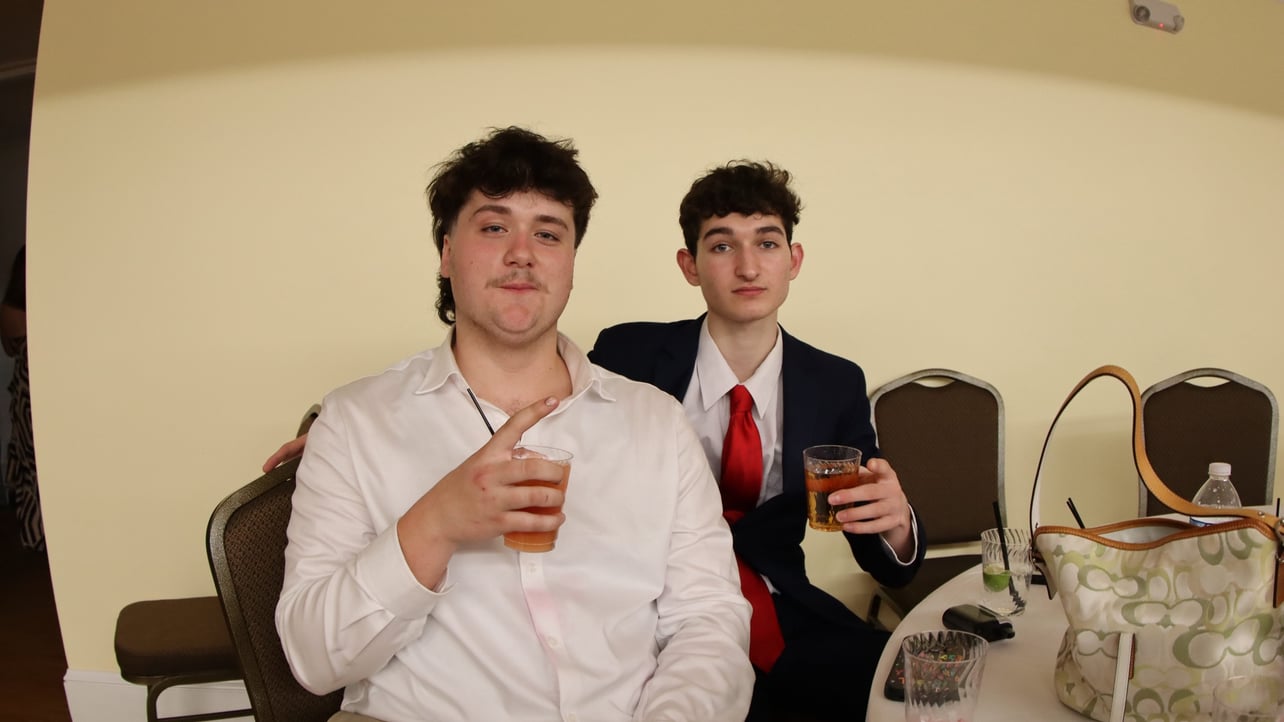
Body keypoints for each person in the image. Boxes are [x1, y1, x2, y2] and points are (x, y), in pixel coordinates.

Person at [275, 127, 753, 722]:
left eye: (548, 234)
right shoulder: (354, 423)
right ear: (447, 253)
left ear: (571, 263)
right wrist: (436, 523)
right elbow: (314, 659)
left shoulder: (656, 422)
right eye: (494, 227)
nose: (522, 253)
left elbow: (709, 620)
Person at [587, 161, 924, 721]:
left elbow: (885, 562)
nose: (748, 266)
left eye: (767, 243)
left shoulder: (835, 382)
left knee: (906, 693)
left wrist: (896, 525)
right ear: (690, 266)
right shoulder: (627, 356)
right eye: (722, 246)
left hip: (778, 603)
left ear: (794, 260)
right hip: (645, 608)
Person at [2, 246, 43, 552]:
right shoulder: (31, 310)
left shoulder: (10, 309)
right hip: (32, 389)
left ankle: (36, 530)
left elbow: (10, 349)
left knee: (32, 465)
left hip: (24, 390)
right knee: (37, 463)